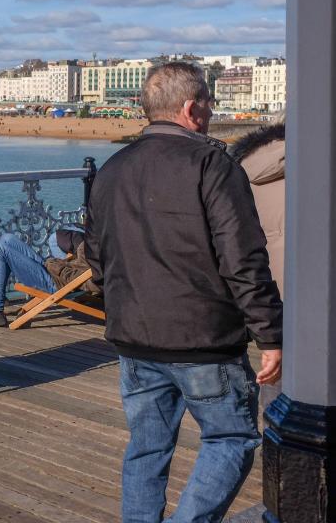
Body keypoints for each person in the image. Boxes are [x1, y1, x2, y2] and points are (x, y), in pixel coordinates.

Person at [85, 61, 282, 522]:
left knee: (147, 449)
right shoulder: (212, 164)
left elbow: (97, 256)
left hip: (134, 336)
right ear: (192, 108)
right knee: (229, 439)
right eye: (209, 105)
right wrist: (270, 335)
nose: (211, 114)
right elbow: (243, 258)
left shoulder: (112, 169)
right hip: (204, 340)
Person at [230, 121, 286, 410]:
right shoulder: (316, 162)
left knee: (275, 370)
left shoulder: (242, 170)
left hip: (264, 287)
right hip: (314, 285)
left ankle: (275, 436)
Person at [0, 228, 95, 327]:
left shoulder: (105, 257)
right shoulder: (106, 246)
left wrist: (83, 247)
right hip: (54, 271)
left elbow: (81, 277)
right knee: (8, 238)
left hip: (58, 284)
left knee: (0, 250)